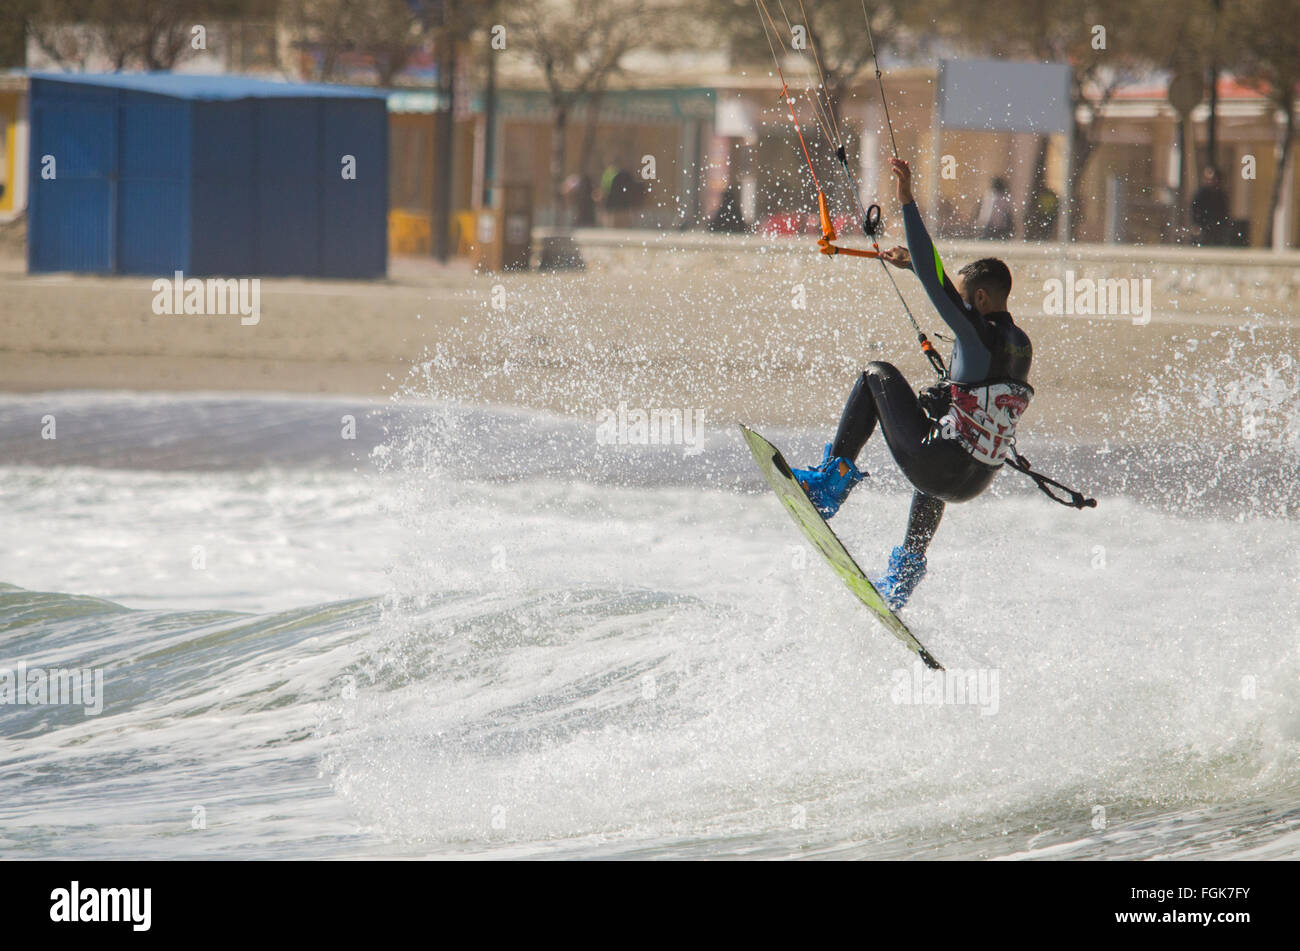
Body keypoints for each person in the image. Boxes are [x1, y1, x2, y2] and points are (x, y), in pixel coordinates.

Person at [790, 157, 1034, 610]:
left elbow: (937, 280)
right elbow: (976, 388)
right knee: (944, 424)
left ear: (980, 299)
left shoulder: (977, 334)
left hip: (941, 467)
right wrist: (917, 270)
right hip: (974, 481)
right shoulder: (1018, 346)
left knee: (875, 374)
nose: (955, 308)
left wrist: (906, 202)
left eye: (963, 300)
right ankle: (905, 571)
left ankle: (831, 481)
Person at [1190, 166, 1230, 246]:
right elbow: (1195, 210)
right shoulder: (1201, 194)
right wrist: (1196, 224)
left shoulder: (1220, 195)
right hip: (1203, 224)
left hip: (1216, 227)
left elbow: (1224, 212)